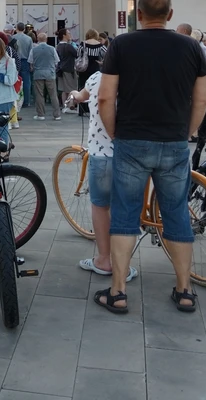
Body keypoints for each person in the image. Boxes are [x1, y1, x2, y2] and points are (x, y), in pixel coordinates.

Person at [95, 0, 206, 315]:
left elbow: (105, 97)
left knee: (125, 215)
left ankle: (118, 291)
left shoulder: (122, 45)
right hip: (173, 141)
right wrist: (187, 132)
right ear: (170, 15)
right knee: (176, 213)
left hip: (132, 140)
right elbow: (201, 99)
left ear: (139, 15)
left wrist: (114, 130)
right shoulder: (191, 47)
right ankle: (185, 290)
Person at [66, 75, 138, 282]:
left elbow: (80, 96)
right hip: (133, 154)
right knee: (125, 208)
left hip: (101, 153)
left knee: (100, 206)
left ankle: (104, 260)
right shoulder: (139, 76)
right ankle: (123, 264)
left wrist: (73, 96)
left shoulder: (97, 77)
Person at [29, 33, 61, 120]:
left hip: (38, 73)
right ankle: (57, 114)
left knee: (39, 94)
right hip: (50, 73)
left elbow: (31, 63)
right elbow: (56, 61)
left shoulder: (34, 50)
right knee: (53, 94)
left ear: (38, 39)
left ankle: (41, 114)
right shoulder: (52, 49)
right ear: (46, 39)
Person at [10, 23, 34, 108]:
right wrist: (31, 64)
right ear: (24, 29)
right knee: (26, 81)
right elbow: (31, 52)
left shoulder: (13, 38)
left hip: (15, 61)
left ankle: (16, 100)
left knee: (15, 81)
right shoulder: (29, 39)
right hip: (25, 61)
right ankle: (26, 101)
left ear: (16, 28)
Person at [56, 28, 79, 111]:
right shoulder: (68, 46)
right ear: (64, 35)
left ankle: (64, 105)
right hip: (69, 69)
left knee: (63, 89)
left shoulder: (58, 46)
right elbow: (77, 54)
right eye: (68, 33)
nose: (70, 35)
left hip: (60, 69)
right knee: (71, 88)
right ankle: (70, 105)